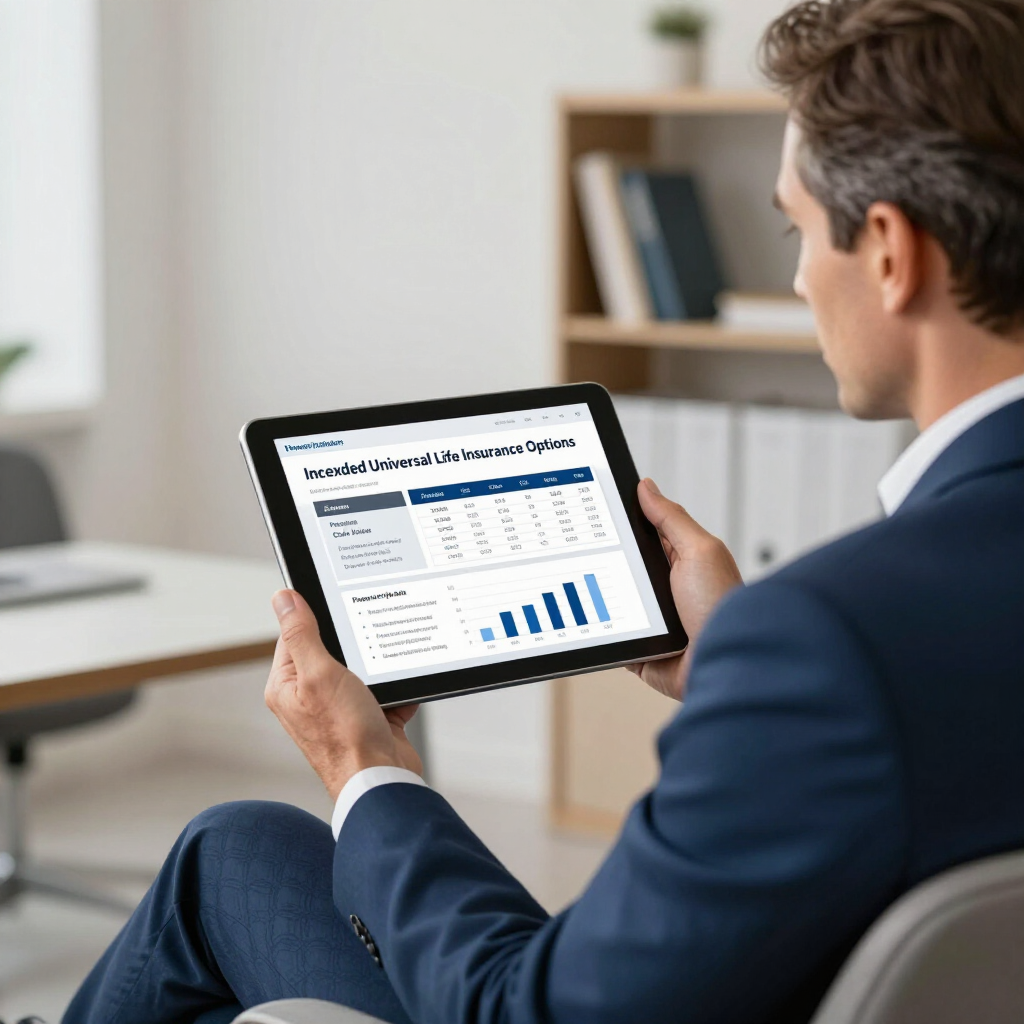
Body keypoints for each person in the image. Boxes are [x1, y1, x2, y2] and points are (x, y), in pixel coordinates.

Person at [62, 0, 1024, 1021]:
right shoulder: (861, 637)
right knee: (236, 845)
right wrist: (731, 667)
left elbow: (523, 1011)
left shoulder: (829, 640)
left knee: (220, 873)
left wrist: (364, 763)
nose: (794, 277)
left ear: (889, 251)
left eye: (797, 228)